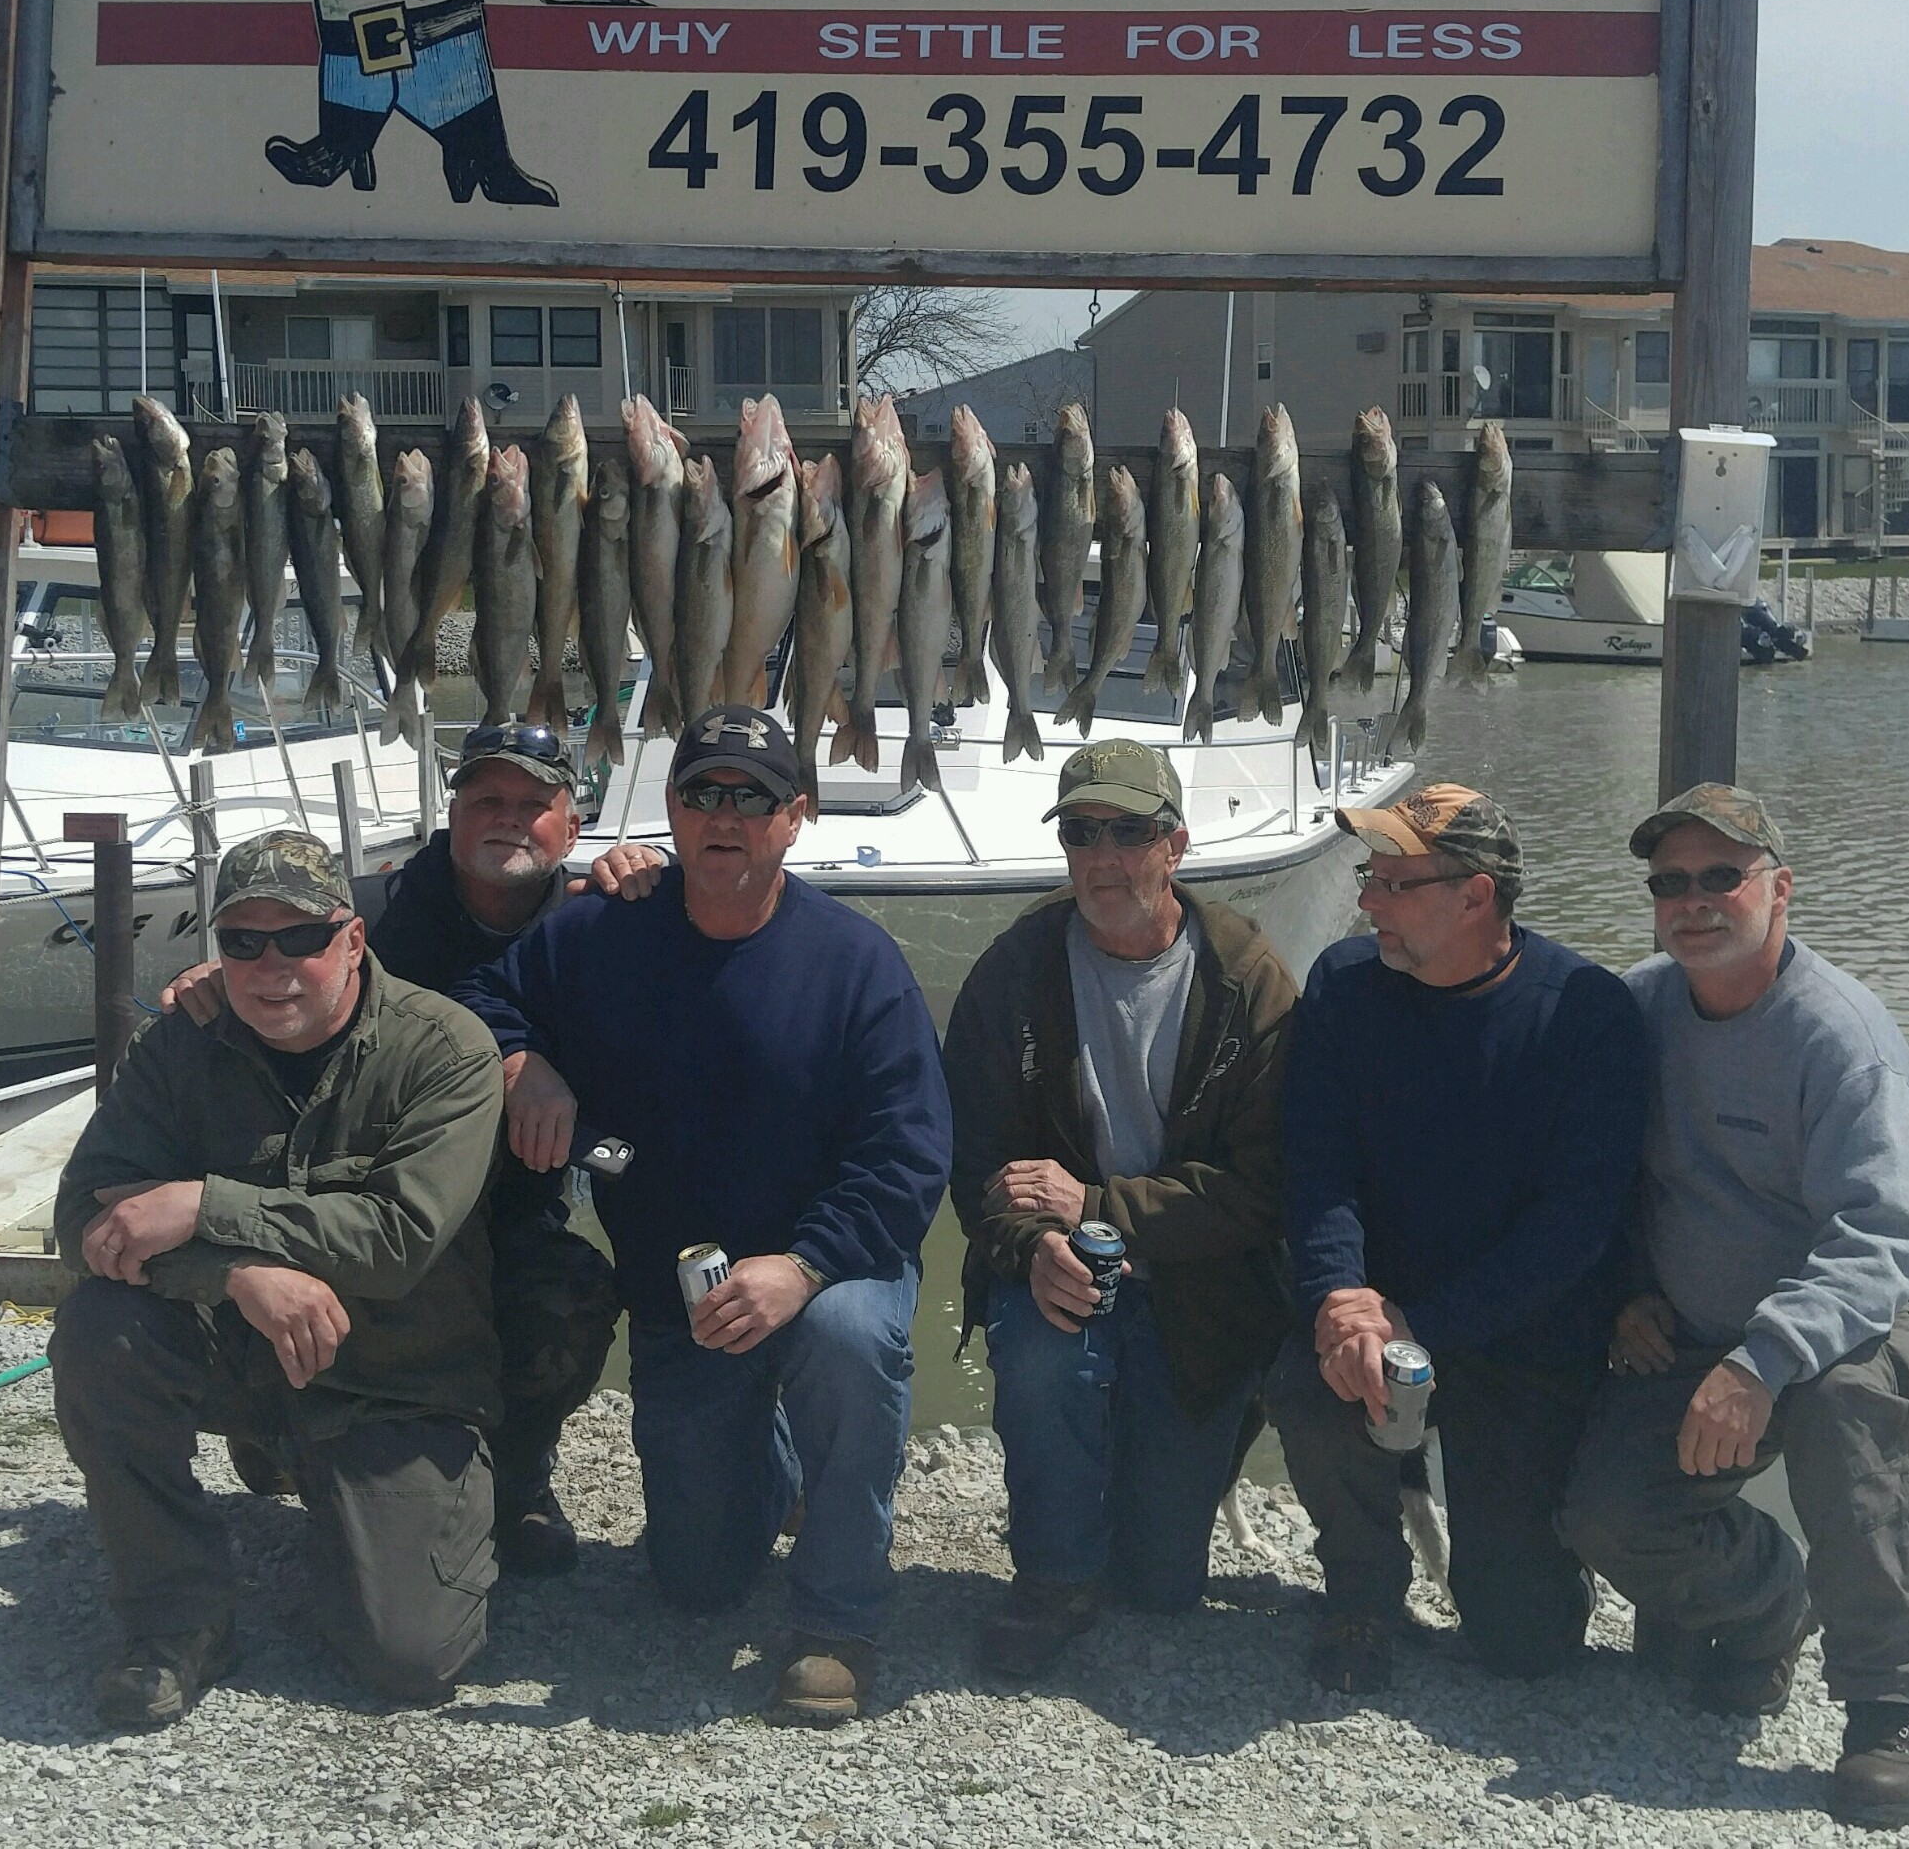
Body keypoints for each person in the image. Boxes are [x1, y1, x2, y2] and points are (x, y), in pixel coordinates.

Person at [453, 705, 951, 1725]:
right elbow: (480, 995)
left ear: (796, 816)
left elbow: (909, 1160)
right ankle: (781, 1461)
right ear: (672, 810)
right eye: (700, 792)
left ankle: (836, 1620)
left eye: (750, 797)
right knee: (693, 1582)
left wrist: (803, 1267)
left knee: (848, 1340)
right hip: (687, 1297)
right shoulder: (600, 929)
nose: (722, 815)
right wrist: (521, 1060)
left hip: (829, 1268)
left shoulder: (858, 966)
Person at [161, 719, 666, 1577]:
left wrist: (660, 876)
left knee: (569, 1294)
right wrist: (228, 971)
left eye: (532, 804)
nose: (507, 818)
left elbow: (720, 908)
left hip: (501, 1211)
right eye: (486, 800)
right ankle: (277, 1430)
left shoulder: (599, 918)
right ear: (451, 813)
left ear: (573, 827)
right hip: (342, 1205)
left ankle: (513, 1480)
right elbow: (264, 949)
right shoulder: (363, 913)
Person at [1556, 785, 1909, 1828]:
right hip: (1690, 1317)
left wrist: (1760, 1360)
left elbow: (1881, 1240)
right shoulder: (1640, 1005)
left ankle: (1891, 1703)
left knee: (1840, 1414)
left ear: (1780, 889)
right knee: (1602, 1514)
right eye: (1668, 883)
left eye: (1719, 877)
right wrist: (1629, 1289)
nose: (1691, 901)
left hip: (1860, 1316)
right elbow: (1607, 1173)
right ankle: (1768, 1606)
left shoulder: (1841, 1039)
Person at [51, 831, 506, 1726]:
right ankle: (177, 1618)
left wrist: (200, 1205)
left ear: (353, 940)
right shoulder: (177, 1044)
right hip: (242, 1345)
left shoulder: (445, 1049)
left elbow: (398, 1239)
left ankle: (393, 1487)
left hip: (394, 1380)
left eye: (299, 937)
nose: (271, 965)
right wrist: (238, 1273)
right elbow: (85, 1221)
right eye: (244, 942)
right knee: (101, 1327)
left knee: (408, 1658)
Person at [1272, 784, 1647, 1694]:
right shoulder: (1343, 984)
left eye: (1396, 885)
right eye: (1372, 878)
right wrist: (1340, 1298)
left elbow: (1574, 1230)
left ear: (1475, 895)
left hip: (1520, 1340)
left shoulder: (1586, 1016)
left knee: (1523, 1644)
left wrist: (1421, 1321)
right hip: (1378, 1321)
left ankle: (1538, 1561)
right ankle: (1360, 1591)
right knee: (1304, 1382)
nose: (1367, 903)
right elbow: (1316, 1168)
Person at [943, 738, 1296, 1678]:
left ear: (1173, 845)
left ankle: (1176, 1474)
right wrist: (1030, 1245)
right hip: (1065, 1265)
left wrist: (1101, 1202)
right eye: (1082, 833)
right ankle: (1050, 1578)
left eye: (1128, 832)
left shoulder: (1247, 980)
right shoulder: (1014, 969)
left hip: (1198, 1284)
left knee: (1160, 1584)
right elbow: (976, 1159)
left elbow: (1264, 1189)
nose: (1102, 857)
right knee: (1041, 1353)